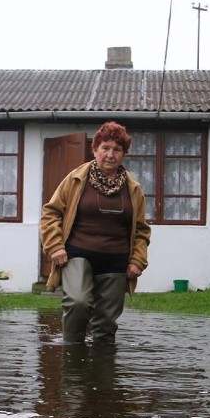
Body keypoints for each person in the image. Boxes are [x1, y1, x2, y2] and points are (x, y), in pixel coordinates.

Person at [40, 121, 151, 344]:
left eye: (117, 150)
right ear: (95, 149)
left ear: (123, 154)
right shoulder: (74, 180)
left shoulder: (134, 189)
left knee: (106, 325)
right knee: (78, 302)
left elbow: (141, 229)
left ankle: (103, 373)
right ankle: (72, 363)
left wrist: (138, 260)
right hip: (77, 254)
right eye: (105, 148)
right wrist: (55, 246)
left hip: (116, 261)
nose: (110, 155)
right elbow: (51, 213)